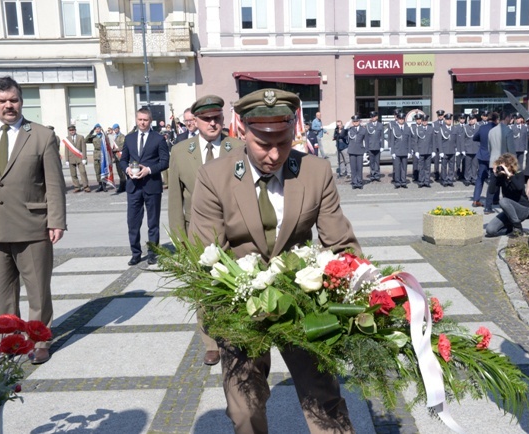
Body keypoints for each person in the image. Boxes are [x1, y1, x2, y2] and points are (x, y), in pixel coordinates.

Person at [190, 88, 360, 434]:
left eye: (282, 142)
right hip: (238, 303)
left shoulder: (314, 172)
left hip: (302, 304)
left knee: (324, 401)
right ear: (241, 131)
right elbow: (204, 255)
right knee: (244, 409)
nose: (274, 154)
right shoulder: (215, 177)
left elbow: (340, 243)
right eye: (262, 143)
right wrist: (216, 315)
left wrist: (362, 291)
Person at [0, 76, 67, 364]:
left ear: (21, 101)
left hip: (32, 226)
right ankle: (11, 340)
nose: (8, 105)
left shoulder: (41, 135)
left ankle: (39, 340)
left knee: (38, 290)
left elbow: (54, 183)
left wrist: (56, 221)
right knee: (2, 293)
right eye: (1, 101)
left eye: (13, 99)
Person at [169, 95, 242, 366]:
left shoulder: (238, 147)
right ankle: (210, 342)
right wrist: (179, 240)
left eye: (217, 118)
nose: (213, 123)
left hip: (234, 230)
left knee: (235, 285)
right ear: (195, 122)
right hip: (197, 232)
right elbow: (176, 198)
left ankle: (233, 335)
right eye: (207, 119)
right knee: (203, 290)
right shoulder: (180, 151)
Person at [119, 107, 169, 266]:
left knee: (153, 222)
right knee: (132, 222)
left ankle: (153, 252)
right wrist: (127, 169)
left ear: (150, 120)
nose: (142, 122)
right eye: (140, 119)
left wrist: (149, 170)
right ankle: (135, 253)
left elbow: (165, 162)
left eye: (145, 120)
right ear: (136, 119)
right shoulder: (129, 138)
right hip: (133, 186)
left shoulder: (158, 139)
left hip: (152, 186)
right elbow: (122, 160)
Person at [484, 153, 529, 237]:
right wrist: (494, 175)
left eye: (504, 166)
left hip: (522, 209)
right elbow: (491, 191)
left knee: (503, 201)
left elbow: (519, 187)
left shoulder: (519, 174)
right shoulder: (501, 177)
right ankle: (510, 228)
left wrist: (509, 175)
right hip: (509, 211)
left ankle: (517, 227)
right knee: (490, 230)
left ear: (510, 166)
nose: (502, 168)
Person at [485, 112, 516, 214]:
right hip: (504, 163)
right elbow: (511, 150)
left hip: (493, 161)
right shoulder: (508, 131)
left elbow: (489, 148)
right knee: (506, 186)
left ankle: (487, 207)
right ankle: (506, 207)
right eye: (510, 118)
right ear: (507, 118)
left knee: (492, 185)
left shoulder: (491, 131)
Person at [471, 112, 498, 208]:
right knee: (494, 179)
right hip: (493, 156)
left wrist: (483, 141)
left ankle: (475, 199)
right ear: (496, 120)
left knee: (480, 178)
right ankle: (493, 200)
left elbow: (475, 138)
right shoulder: (497, 128)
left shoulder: (482, 127)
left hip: (482, 155)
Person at [63, 124, 90, 193]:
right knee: (73, 174)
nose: (72, 131)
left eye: (73, 130)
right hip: (71, 158)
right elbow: (66, 150)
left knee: (83, 172)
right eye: (70, 130)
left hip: (80, 158)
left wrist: (84, 158)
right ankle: (77, 187)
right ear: (69, 131)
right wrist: (66, 159)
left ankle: (86, 186)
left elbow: (84, 148)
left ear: (75, 130)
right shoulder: (67, 139)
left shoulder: (80, 137)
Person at [388, 110, 411, 188]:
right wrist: (393, 152)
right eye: (400, 119)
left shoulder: (407, 128)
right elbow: (392, 141)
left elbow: (409, 141)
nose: (401, 120)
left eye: (402, 119)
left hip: (405, 150)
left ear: (404, 119)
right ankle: (397, 182)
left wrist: (409, 151)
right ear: (397, 119)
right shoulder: (394, 128)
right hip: (397, 151)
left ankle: (403, 182)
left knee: (404, 167)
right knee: (397, 168)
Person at [412, 113, 434, 188]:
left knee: (427, 167)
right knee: (421, 167)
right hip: (421, 151)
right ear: (421, 121)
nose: (424, 122)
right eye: (423, 121)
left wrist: (433, 151)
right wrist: (416, 151)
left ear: (427, 121)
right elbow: (415, 141)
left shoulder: (431, 128)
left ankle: (427, 181)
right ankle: (421, 181)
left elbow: (433, 141)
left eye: (426, 121)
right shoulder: (418, 129)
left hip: (428, 151)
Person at [437, 113, 457, 186]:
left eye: (450, 119)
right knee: (444, 166)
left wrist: (457, 149)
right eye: (447, 119)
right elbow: (439, 141)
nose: (449, 121)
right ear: (445, 120)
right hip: (445, 151)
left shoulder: (454, 128)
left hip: (452, 150)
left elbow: (456, 140)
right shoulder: (441, 129)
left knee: (451, 166)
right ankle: (444, 179)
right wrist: (441, 151)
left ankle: (450, 179)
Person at [346, 114, 366, 189]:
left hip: (360, 150)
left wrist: (365, 152)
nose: (355, 123)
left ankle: (359, 182)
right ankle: (354, 182)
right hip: (352, 150)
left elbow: (366, 141)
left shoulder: (363, 130)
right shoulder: (350, 129)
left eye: (357, 121)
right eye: (354, 121)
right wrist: (347, 125)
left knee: (359, 167)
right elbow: (342, 135)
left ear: (359, 121)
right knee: (353, 168)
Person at [86, 123, 106, 192]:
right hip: (96, 155)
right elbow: (86, 140)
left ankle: (104, 185)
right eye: (96, 129)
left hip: (103, 155)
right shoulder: (93, 137)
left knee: (104, 171)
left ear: (101, 129)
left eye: (98, 128)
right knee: (97, 171)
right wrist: (91, 132)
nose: (97, 130)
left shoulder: (104, 137)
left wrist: (103, 132)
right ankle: (100, 185)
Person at [365, 110, 383, 182]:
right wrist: (366, 148)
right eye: (371, 117)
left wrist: (382, 146)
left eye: (374, 116)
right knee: (371, 162)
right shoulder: (368, 125)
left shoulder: (380, 125)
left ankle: (377, 175)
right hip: (371, 146)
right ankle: (372, 175)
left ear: (377, 117)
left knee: (377, 162)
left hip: (378, 146)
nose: (373, 118)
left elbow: (382, 136)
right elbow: (366, 138)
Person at [111, 123, 127, 194]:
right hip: (116, 157)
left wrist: (115, 149)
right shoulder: (113, 137)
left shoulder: (122, 136)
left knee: (124, 172)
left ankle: (125, 186)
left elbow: (123, 146)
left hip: (121, 156)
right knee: (119, 172)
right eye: (114, 129)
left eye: (116, 128)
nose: (115, 130)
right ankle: (122, 185)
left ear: (119, 128)